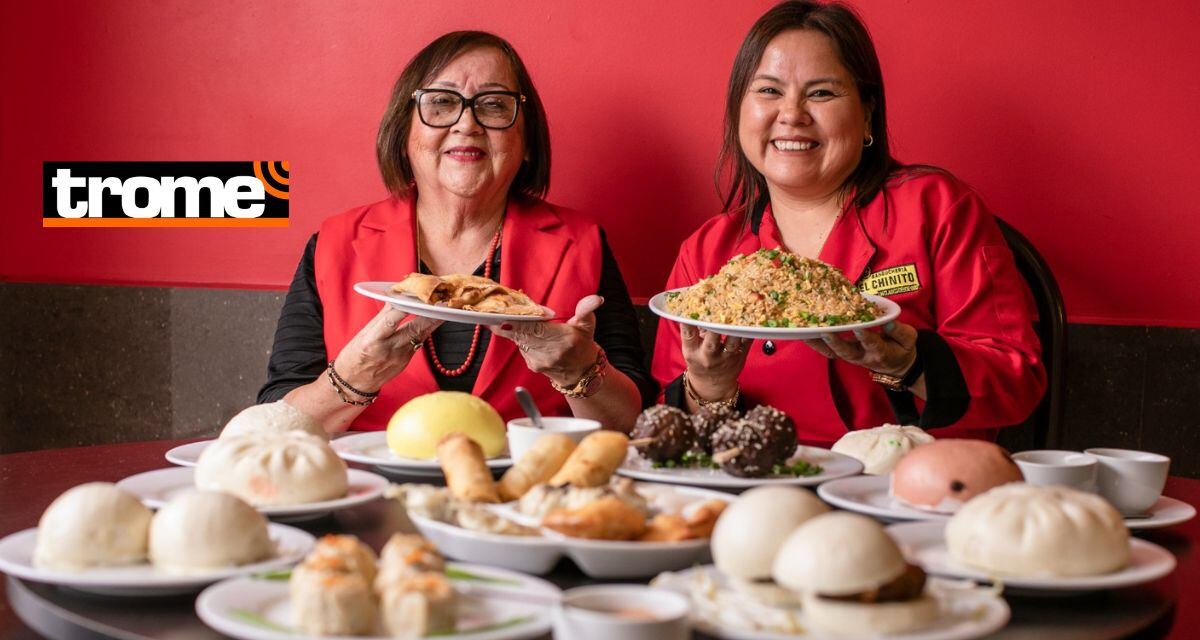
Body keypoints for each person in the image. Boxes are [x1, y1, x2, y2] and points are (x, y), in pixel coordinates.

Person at [651, 1, 1045, 445]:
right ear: (738, 111)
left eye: (821, 93)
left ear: (867, 114)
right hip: (760, 490)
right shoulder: (707, 251)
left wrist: (908, 363)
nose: (792, 114)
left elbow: (1017, 381)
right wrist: (709, 388)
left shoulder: (934, 208)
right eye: (768, 91)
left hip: (910, 489)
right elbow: (670, 432)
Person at [260, 31, 654, 433]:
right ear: (404, 134)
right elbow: (276, 420)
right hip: (369, 485)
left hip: (530, 487)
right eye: (442, 102)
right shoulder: (335, 243)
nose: (467, 123)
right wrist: (355, 376)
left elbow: (632, 423)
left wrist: (582, 373)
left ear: (527, 140)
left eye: (494, 105)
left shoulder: (582, 242)